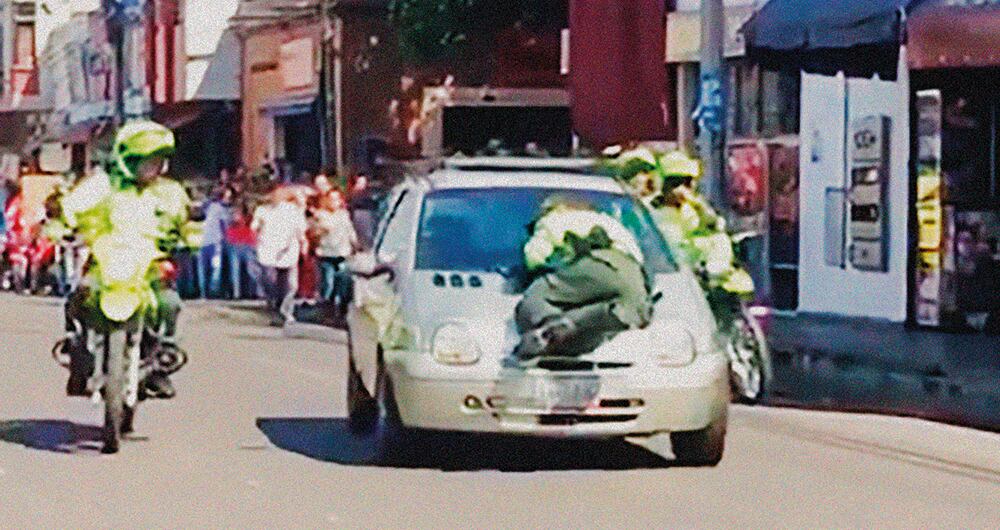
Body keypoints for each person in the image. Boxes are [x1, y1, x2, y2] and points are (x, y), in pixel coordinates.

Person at [59, 120, 199, 400]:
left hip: (149, 266)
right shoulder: (101, 186)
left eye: (158, 161)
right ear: (128, 160)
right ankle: (77, 354)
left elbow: (187, 225)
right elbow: (70, 210)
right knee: (79, 295)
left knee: (170, 304)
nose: (153, 167)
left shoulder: (170, 192)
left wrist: (188, 239)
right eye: (146, 160)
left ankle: (162, 362)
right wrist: (63, 227)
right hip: (106, 263)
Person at [514, 204, 654, 361]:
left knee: (538, 292)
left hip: (596, 264)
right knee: (627, 305)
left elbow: (534, 258)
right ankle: (598, 315)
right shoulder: (607, 220)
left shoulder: (551, 221)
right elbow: (638, 257)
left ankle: (545, 328)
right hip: (631, 272)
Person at [252, 187, 308, 325]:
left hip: (288, 252)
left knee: (290, 285)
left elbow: (301, 231)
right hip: (268, 252)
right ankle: (276, 309)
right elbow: (254, 227)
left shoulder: (294, 211)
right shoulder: (262, 210)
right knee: (272, 283)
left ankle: (286, 312)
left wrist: (303, 245)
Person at [312, 190, 358, 314]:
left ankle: (341, 309)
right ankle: (327, 307)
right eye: (331, 199)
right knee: (328, 283)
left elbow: (350, 230)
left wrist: (355, 243)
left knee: (343, 281)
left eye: (336, 199)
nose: (334, 202)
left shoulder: (344, 215)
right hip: (326, 254)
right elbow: (313, 233)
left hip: (342, 252)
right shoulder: (321, 215)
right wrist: (321, 231)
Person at [198, 186, 233, 298]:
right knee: (214, 267)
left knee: (204, 268)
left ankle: (204, 293)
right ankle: (212, 291)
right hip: (214, 241)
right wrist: (226, 238)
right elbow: (225, 225)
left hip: (203, 240)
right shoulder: (219, 208)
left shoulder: (208, 207)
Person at [225, 201, 263, 299]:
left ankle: (258, 293)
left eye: (238, 210)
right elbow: (229, 227)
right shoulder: (232, 220)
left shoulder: (249, 219)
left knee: (253, 271)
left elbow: (255, 226)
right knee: (235, 271)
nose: (235, 212)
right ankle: (236, 294)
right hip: (234, 244)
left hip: (248, 244)